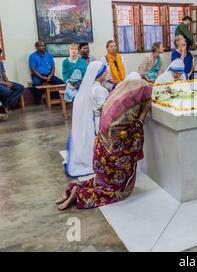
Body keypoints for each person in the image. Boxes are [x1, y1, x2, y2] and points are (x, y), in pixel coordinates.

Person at [57, 78, 153, 210]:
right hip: (114, 158)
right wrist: (145, 110)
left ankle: (75, 187)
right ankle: (81, 194)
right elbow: (136, 132)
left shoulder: (114, 101)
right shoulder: (128, 115)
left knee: (102, 181)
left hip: (101, 152)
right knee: (117, 191)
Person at [64, 61, 108, 178]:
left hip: (94, 120)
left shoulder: (90, 87)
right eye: (105, 70)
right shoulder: (99, 90)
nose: (107, 72)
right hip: (100, 121)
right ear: (99, 74)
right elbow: (104, 108)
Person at [0, 48, 24, 115]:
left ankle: (6, 106)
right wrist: (5, 83)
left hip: (3, 82)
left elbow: (4, 74)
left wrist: (7, 81)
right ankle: (6, 107)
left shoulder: (0, 62)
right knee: (7, 91)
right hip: (1, 83)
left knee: (20, 87)